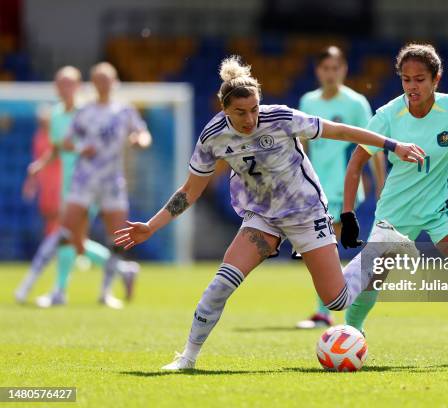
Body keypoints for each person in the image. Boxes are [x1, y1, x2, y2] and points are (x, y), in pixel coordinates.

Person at [114, 56, 425, 370]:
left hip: (305, 212)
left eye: (254, 109)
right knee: (221, 284)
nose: (250, 119)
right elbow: (190, 190)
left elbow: (340, 132)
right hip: (262, 217)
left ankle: (384, 243)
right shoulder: (212, 138)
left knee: (337, 301)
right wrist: (151, 226)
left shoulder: (280, 117)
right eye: (240, 112)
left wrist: (392, 144)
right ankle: (187, 358)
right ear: (224, 110)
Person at [339, 43, 448, 365]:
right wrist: (348, 214)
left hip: (443, 209)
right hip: (396, 213)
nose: (412, 87)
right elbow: (355, 164)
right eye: (406, 79)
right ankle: (348, 336)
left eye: (419, 79)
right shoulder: (388, 115)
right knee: (370, 280)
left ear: (436, 78)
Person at [15, 65, 142, 308]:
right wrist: (41, 165)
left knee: (70, 235)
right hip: (75, 182)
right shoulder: (58, 114)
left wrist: (138, 140)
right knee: (75, 240)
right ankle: (123, 271)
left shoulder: (99, 111)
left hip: (99, 182)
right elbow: (60, 146)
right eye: (59, 83)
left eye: (68, 83)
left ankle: (56, 290)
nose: (63, 88)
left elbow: (137, 132)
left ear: (78, 85)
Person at [295, 45, 386, 329]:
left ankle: (325, 311)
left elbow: (373, 145)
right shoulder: (308, 101)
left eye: (336, 68)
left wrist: (382, 186)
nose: (331, 74)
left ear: (344, 70)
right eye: (326, 68)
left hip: (342, 188)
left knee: (324, 245)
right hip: (314, 187)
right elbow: (303, 147)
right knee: (320, 248)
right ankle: (349, 287)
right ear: (318, 71)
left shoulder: (356, 104)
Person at [22, 105, 61, 236]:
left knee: (59, 213)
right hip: (45, 180)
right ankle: (51, 242)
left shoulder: (56, 135)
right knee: (48, 214)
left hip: (59, 178)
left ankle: (59, 245)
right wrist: (31, 182)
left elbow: (56, 154)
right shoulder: (38, 136)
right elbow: (35, 160)